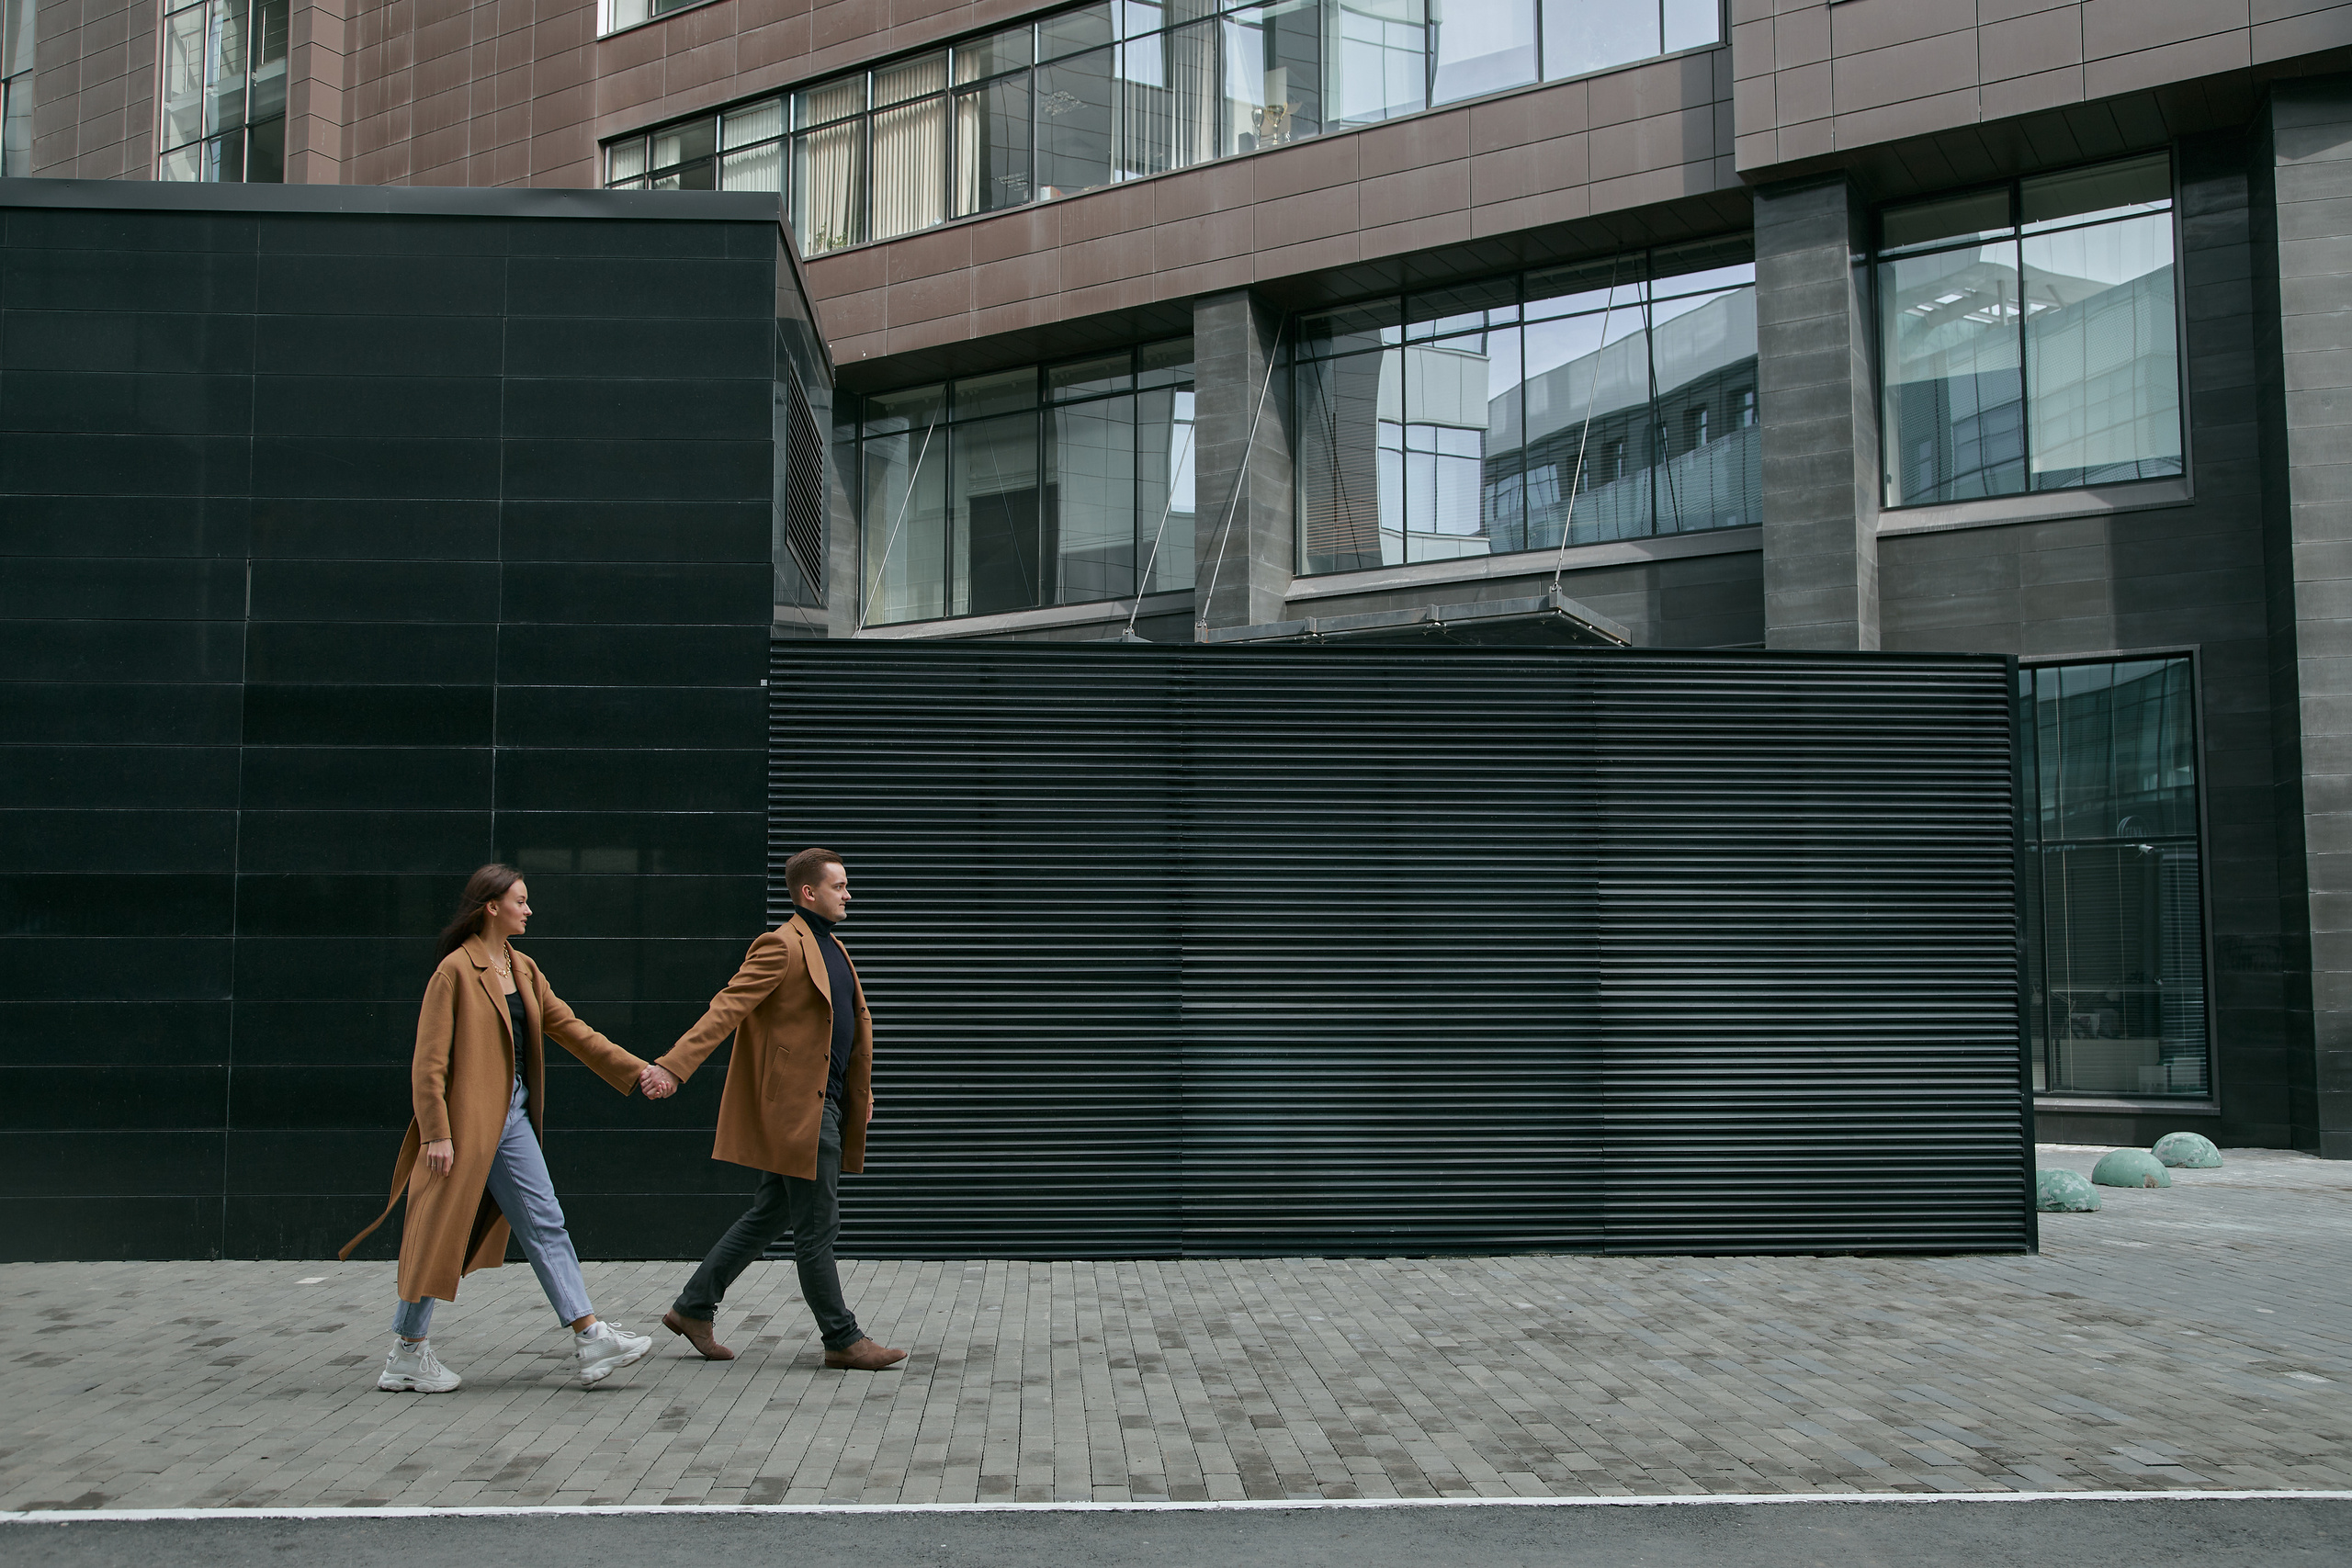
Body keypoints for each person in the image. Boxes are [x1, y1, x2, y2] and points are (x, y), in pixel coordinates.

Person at [342, 863, 665, 1392]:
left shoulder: (524, 968)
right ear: (491, 907)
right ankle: (408, 1352)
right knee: (438, 1233)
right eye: (520, 900)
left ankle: (590, 1335)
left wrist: (637, 1070)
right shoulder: (454, 970)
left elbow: (572, 1029)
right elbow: (429, 1063)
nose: (529, 909)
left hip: (511, 1117)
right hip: (464, 1124)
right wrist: (437, 1133)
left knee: (545, 1220)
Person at [636, 847, 906, 1371]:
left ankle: (692, 1308)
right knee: (819, 1227)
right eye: (839, 886)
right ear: (809, 892)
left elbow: (843, 1030)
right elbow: (725, 1008)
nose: (848, 895)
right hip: (800, 1114)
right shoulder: (781, 946)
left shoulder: (831, 945)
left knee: (770, 1214)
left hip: (827, 1104)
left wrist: (860, 1095)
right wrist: (673, 1067)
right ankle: (842, 1338)